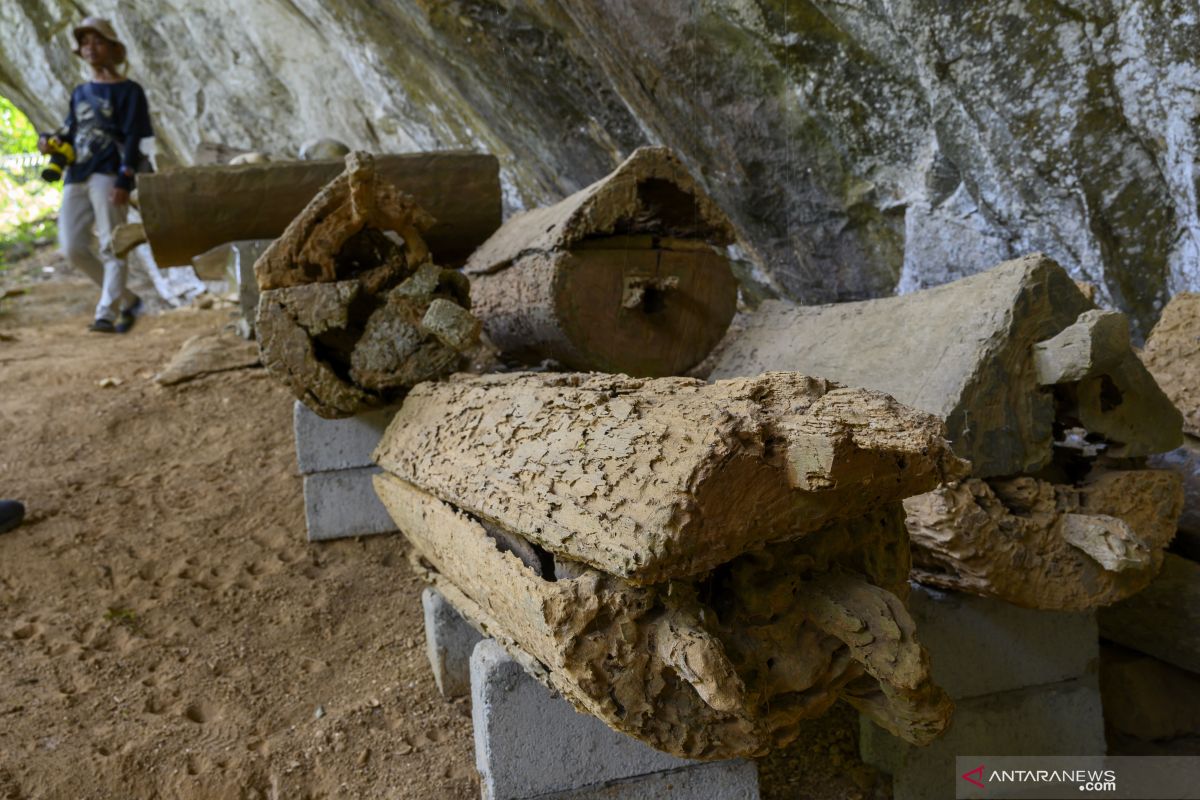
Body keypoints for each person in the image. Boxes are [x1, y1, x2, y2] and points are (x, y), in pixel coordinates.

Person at [39, 17, 153, 334]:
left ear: (112, 48)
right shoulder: (80, 92)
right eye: (85, 42)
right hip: (77, 173)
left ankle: (107, 312)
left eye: (97, 41)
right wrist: (51, 141)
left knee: (111, 244)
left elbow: (134, 138)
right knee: (73, 247)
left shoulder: (130, 92)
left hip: (109, 172)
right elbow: (71, 130)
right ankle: (128, 299)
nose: (91, 48)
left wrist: (123, 180)